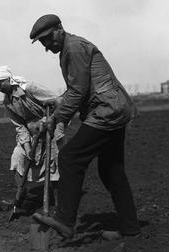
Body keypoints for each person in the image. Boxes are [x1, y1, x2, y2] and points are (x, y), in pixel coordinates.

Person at [29, 14, 140, 239]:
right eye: (42, 42)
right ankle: (131, 229)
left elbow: (79, 91)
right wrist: (59, 100)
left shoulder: (74, 48)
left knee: (70, 158)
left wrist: (55, 119)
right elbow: (79, 87)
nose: (47, 45)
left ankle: (65, 221)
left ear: (60, 28)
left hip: (106, 112)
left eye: (48, 38)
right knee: (112, 172)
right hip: (113, 109)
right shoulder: (71, 47)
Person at [0, 65, 66, 215]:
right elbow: (20, 127)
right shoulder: (8, 102)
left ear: (8, 79)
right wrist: (27, 148)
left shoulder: (29, 88)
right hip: (32, 133)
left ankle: (59, 204)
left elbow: (58, 101)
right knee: (18, 156)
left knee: (54, 162)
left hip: (51, 125)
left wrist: (48, 120)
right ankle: (20, 198)